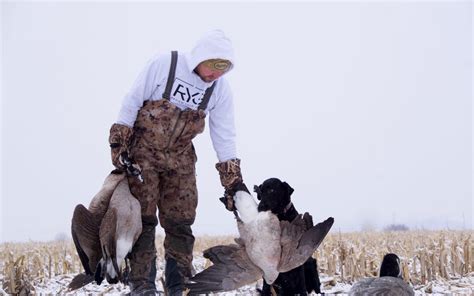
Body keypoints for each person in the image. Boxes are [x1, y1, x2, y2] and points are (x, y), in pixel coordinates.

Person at [108, 30, 247, 295]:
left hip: (181, 159)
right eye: (215, 64)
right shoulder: (165, 65)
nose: (218, 73)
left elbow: (224, 136)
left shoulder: (220, 91)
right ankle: (141, 283)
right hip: (143, 154)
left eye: (225, 68)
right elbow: (132, 100)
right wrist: (119, 144)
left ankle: (180, 283)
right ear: (201, 56)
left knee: (180, 222)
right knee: (143, 219)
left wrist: (234, 181)